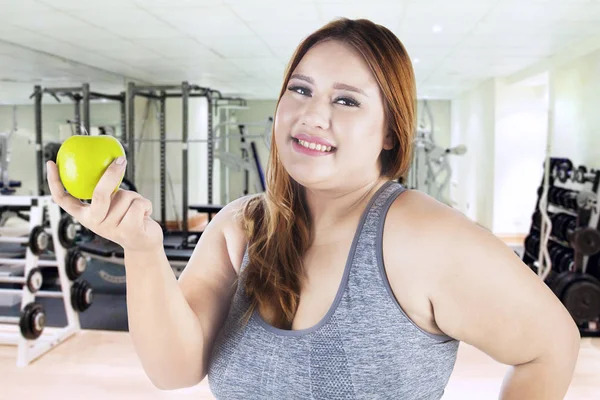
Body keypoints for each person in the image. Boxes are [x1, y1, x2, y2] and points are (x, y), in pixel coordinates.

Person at [46, 18, 580, 400]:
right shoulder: (239, 227)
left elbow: (551, 346)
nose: (312, 115)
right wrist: (141, 249)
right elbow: (173, 370)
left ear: (391, 130)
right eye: (299, 90)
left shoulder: (420, 235)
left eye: (346, 100)